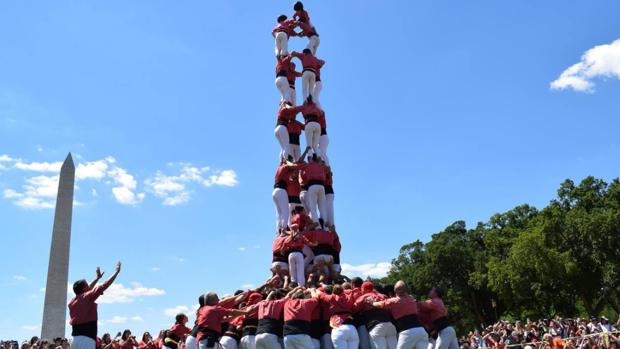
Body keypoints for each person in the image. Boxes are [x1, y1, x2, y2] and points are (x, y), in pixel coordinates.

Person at [69, 262, 122, 349]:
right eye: (87, 285)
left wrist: (97, 278)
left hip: (75, 340)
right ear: (84, 289)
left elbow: (87, 289)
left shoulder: (72, 301)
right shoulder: (87, 297)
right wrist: (116, 272)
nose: (90, 287)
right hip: (86, 340)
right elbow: (105, 285)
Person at [370, 281, 429, 349]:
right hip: (421, 331)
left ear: (395, 291)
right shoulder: (411, 298)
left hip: (407, 332)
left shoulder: (394, 301)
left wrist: (372, 303)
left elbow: (381, 304)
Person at [354, 282, 397, 349]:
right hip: (390, 325)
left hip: (376, 327)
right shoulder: (383, 296)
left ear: (363, 289)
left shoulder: (363, 297)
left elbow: (354, 308)